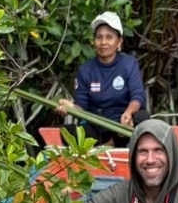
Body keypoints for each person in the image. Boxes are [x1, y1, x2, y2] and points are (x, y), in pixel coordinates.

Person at [57, 11, 147, 143]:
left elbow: (138, 96)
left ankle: (112, 143)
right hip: (95, 127)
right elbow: (82, 107)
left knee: (142, 117)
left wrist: (128, 113)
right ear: (94, 41)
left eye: (109, 37)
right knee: (66, 132)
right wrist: (71, 108)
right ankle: (103, 145)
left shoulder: (129, 64)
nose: (103, 42)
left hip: (122, 128)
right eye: (99, 37)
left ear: (119, 42)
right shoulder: (85, 70)